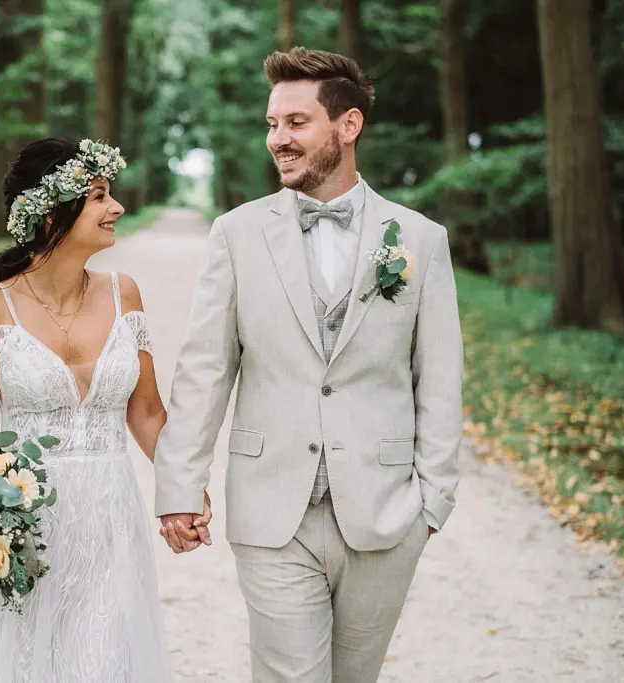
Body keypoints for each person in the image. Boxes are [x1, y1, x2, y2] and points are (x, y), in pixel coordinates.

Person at [154, 47, 463, 683]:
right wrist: (179, 488)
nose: (279, 140)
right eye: (272, 125)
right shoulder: (236, 234)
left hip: (383, 512)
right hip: (272, 509)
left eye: (296, 123)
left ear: (347, 126)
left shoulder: (419, 241)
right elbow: (206, 369)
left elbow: (438, 377)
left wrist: (433, 501)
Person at [0, 137, 211, 683]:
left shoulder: (124, 292)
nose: (117, 208)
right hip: (26, 525)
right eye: (100, 197)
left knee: (100, 663)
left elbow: (147, 413)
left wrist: (185, 488)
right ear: (53, 212)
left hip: (108, 519)